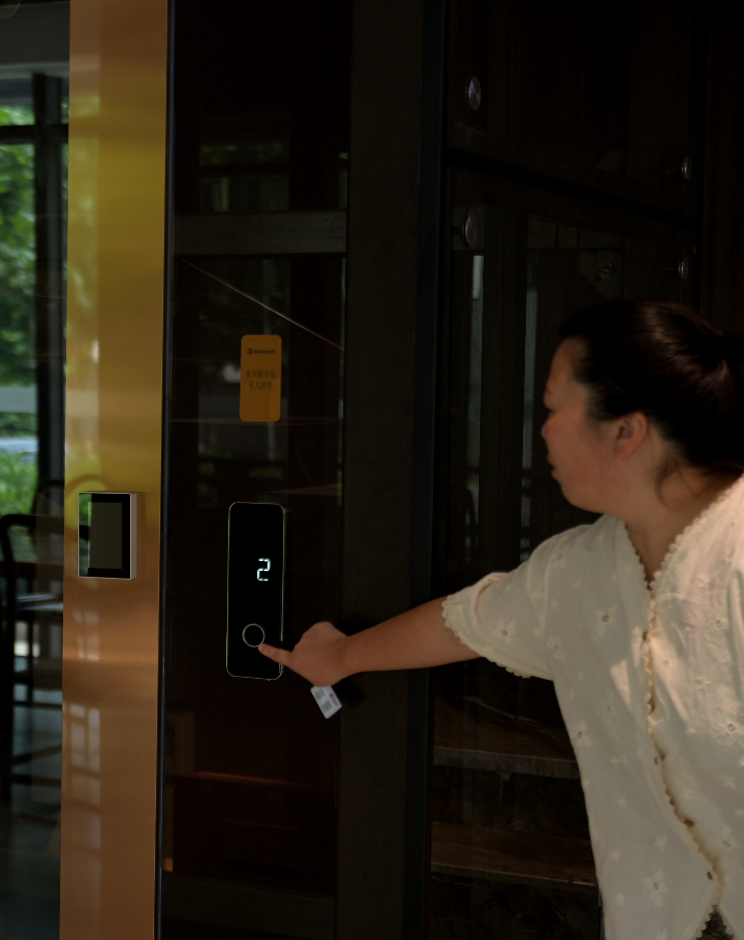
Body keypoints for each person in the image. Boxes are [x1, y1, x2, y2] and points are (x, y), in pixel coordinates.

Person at [262, 299, 744, 939]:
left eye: (553, 407)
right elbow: (463, 621)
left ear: (625, 431)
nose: (542, 430)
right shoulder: (575, 572)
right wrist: (339, 656)